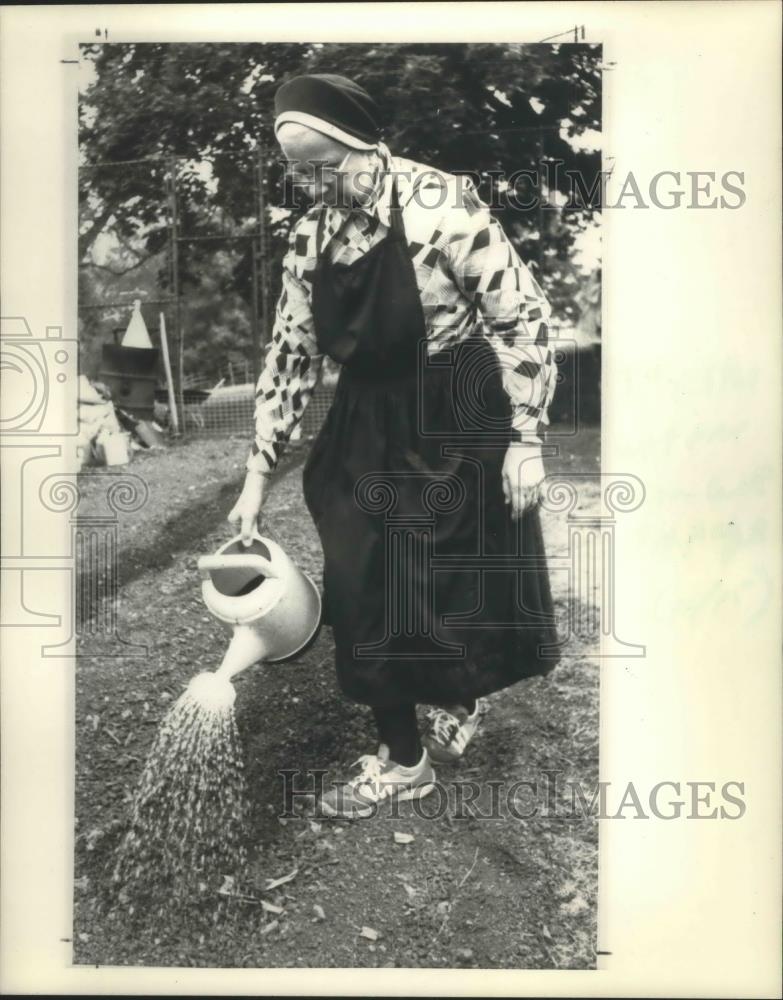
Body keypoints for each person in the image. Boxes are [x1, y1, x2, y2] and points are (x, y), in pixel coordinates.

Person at [229, 73, 560, 819]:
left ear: (366, 147)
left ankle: (457, 696)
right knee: (365, 578)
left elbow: (520, 318)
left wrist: (524, 438)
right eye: (299, 172)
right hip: (368, 417)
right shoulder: (308, 238)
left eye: (326, 168)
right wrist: (255, 477)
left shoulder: (445, 207)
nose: (314, 185)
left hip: (455, 401)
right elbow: (290, 357)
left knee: (445, 574)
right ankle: (403, 760)